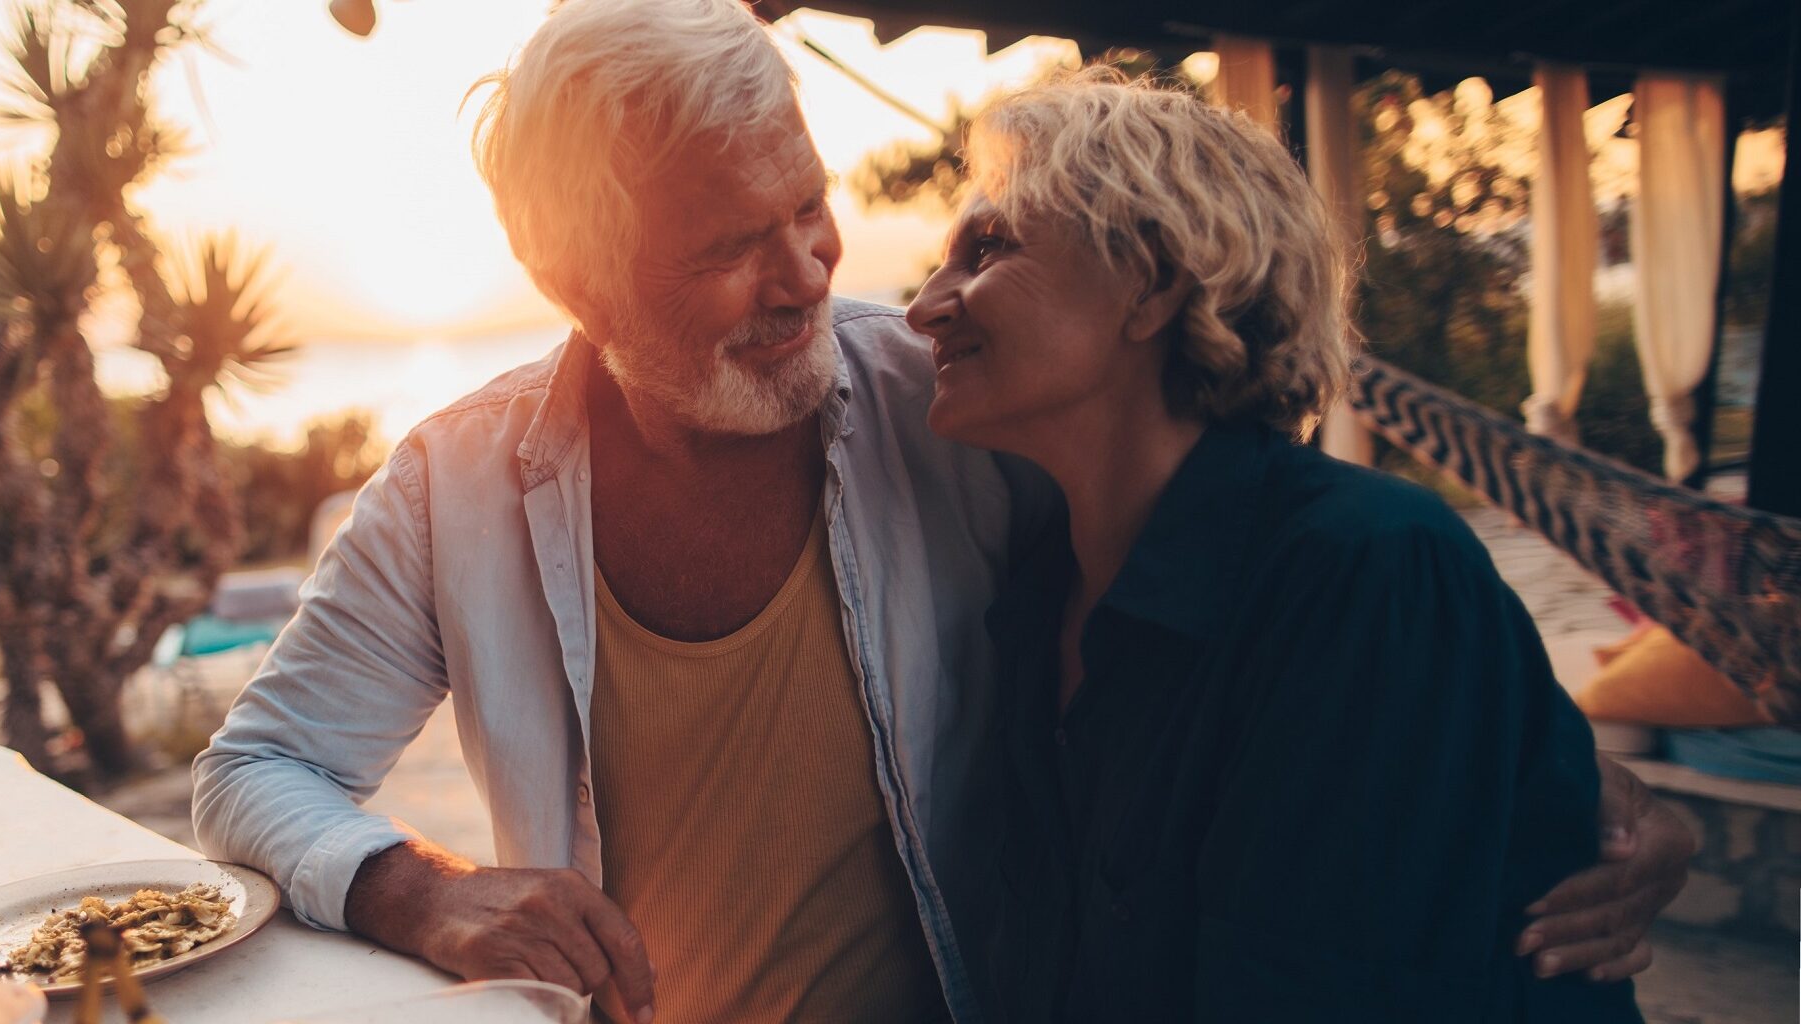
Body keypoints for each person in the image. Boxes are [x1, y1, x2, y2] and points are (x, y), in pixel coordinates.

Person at [194, 3, 1690, 1022]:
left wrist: (1545, 777)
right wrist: (416, 892)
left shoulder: (953, 401)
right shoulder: (454, 488)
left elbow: (1277, 565)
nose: (812, 281)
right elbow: (260, 763)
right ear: (578, 284)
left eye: (808, 210)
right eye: (731, 246)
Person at [906, 71, 1665, 1021]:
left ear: (1150, 282)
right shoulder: (1037, 591)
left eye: (989, 248)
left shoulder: (1371, 574)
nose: (924, 307)